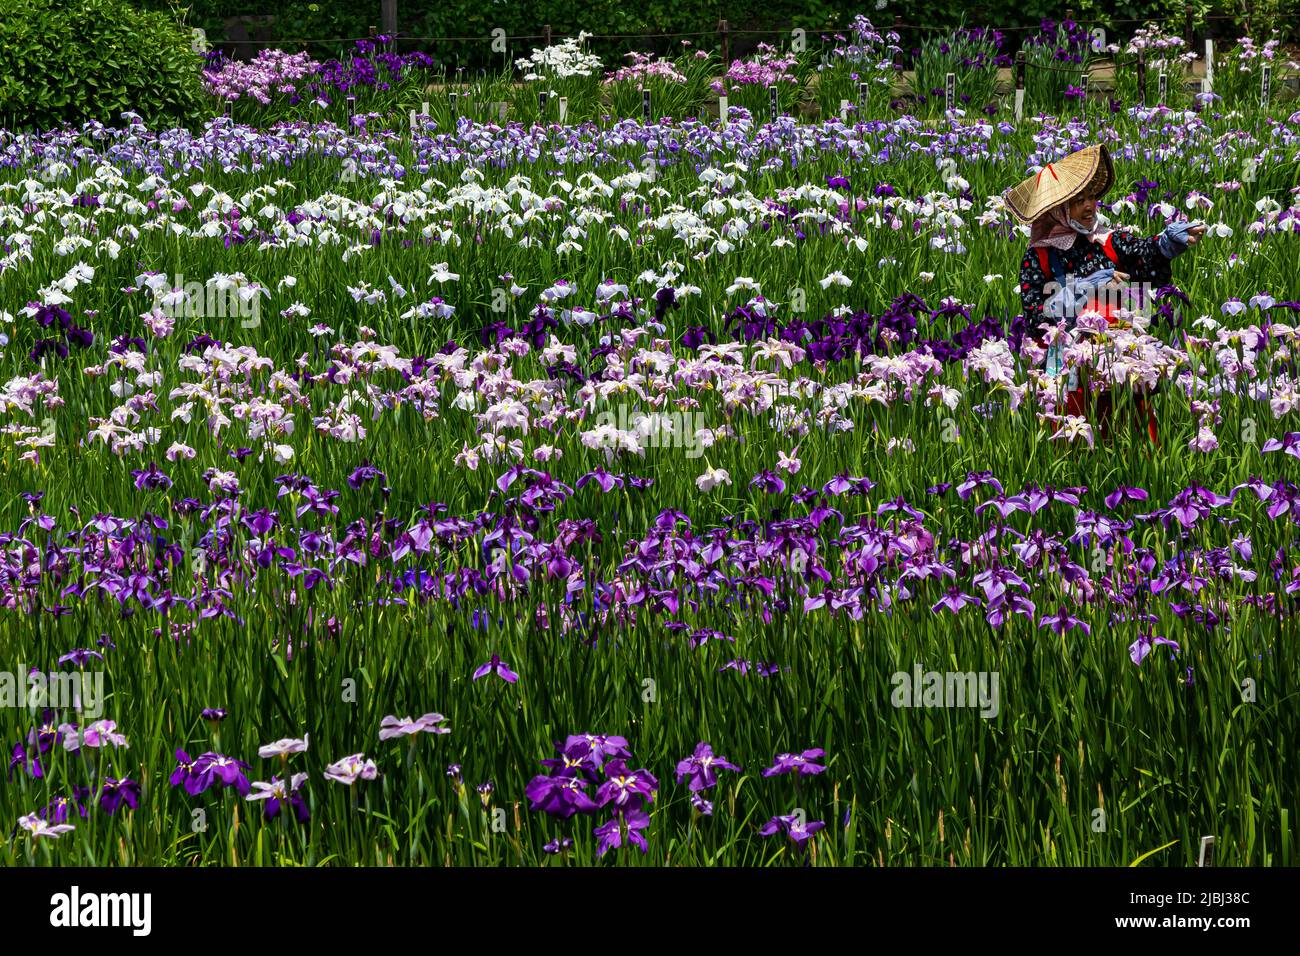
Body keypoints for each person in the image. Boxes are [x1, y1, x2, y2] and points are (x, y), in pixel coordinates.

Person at [1003, 144, 1206, 446]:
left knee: (1133, 440)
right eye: (1078, 201)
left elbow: (1142, 254)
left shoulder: (1107, 241)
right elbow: (1036, 317)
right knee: (1076, 442)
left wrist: (1165, 244)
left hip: (1121, 362)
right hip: (1071, 367)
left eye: (1092, 197)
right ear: (1057, 210)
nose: (1089, 206)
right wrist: (1086, 288)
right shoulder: (1040, 257)